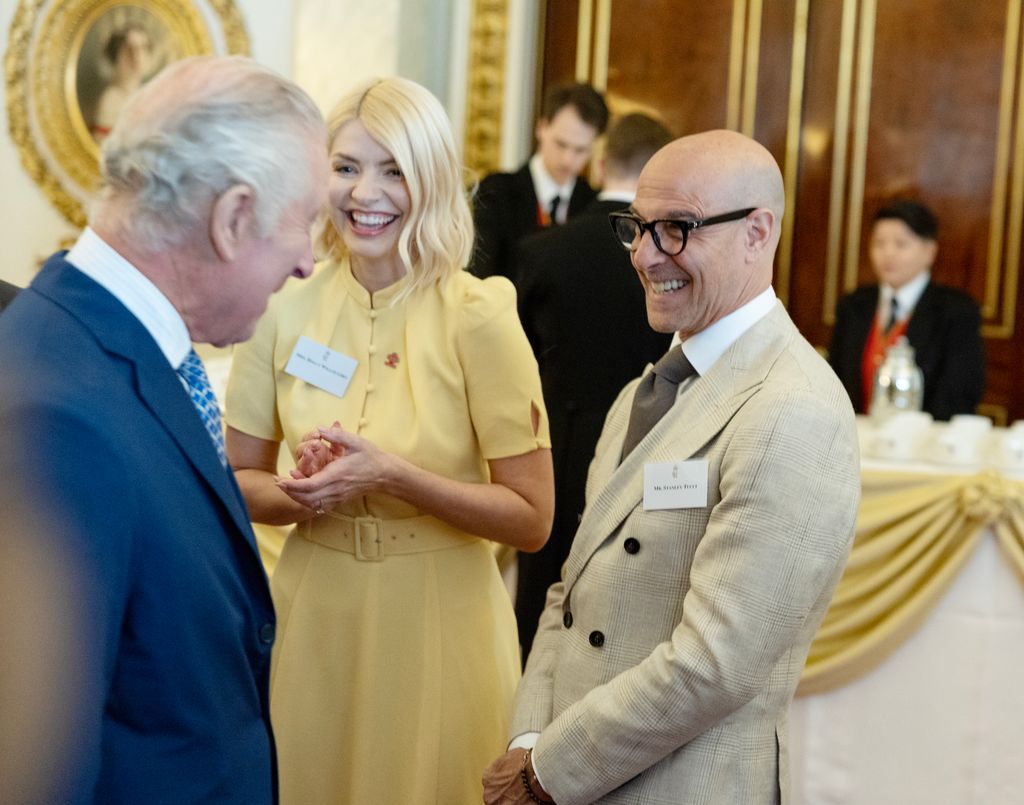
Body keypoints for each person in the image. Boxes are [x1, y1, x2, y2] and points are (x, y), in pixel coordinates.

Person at [483, 130, 861, 805]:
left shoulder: (792, 405)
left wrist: (548, 771)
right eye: (637, 226)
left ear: (757, 232)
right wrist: (527, 741)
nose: (645, 255)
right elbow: (569, 594)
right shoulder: (643, 391)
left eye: (677, 229)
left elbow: (718, 660)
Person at [0, 55, 328, 803]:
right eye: (305, 221)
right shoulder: (61, 417)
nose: (310, 261)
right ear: (233, 217)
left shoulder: (108, 349)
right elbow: (38, 760)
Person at [224, 76, 554, 805]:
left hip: (441, 621)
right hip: (316, 615)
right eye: (346, 166)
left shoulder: (479, 314)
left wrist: (395, 477)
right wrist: (299, 490)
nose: (364, 192)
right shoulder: (282, 305)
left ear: (429, 179)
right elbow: (238, 482)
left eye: (393, 168)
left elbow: (533, 519)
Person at [512, 113, 673, 662]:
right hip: (653, 454)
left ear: (602, 163)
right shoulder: (677, 260)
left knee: (540, 605)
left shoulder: (542, 252)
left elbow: (515, 365)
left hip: (558, 450)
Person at [828, 199, 985, 420]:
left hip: (922, 442)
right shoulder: (853, 305)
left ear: (929, 251)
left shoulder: (956, 311)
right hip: (856, 436)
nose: (888, 253)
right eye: (879, 243)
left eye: (900, 244)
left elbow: (960, 391)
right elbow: (834, 379)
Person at [470, 82, 609, 280]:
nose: (568, 160)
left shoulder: (592, 203)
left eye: (581, 150)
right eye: (561, 144)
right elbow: (481, 273)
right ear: (541, 128)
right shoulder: (497, 192)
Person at [91, 24, 154, 139]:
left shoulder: (148, 94)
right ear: (115, 56)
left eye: (142, 48)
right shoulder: (110, 100)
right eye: (128, 49)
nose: (136, 56)